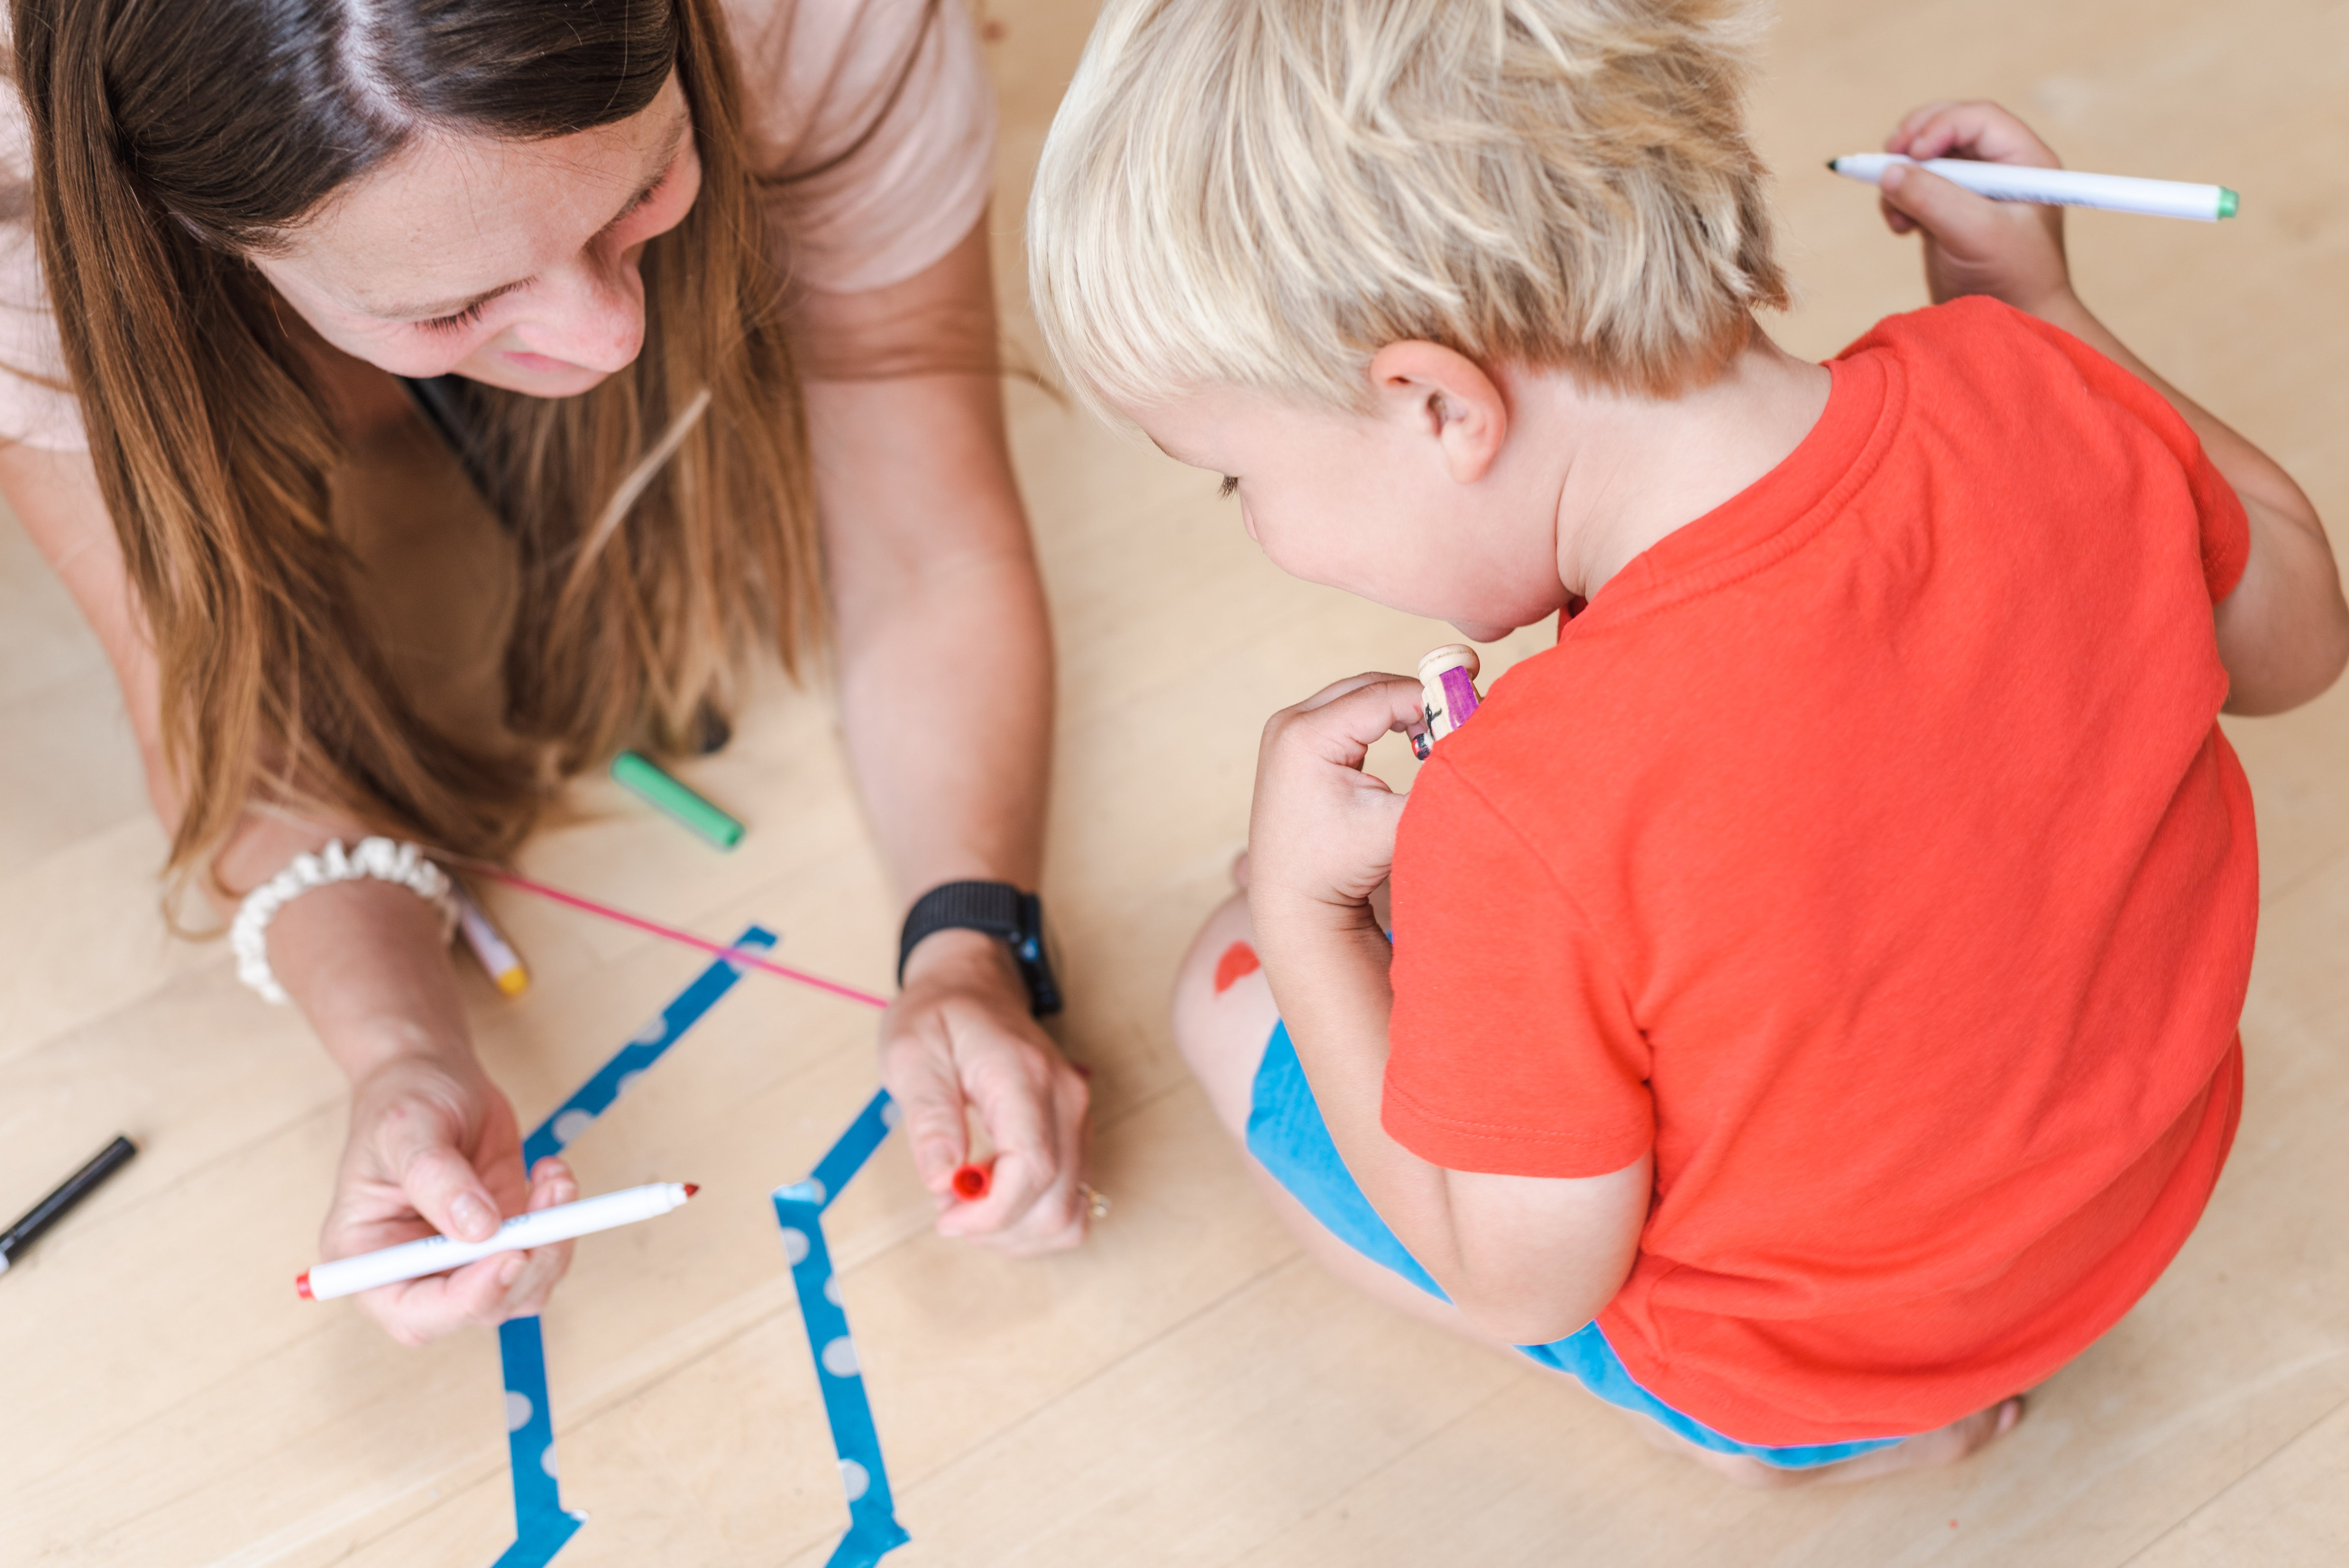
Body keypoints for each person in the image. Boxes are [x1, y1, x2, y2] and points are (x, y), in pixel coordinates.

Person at [1028, 0, 2349, 1484]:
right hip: (2136, 1213)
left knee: (1225, 993)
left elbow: (1523, 1279)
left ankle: (1774, 1438)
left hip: (1816, 1368)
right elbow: (2298, 644)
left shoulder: (1528, 809)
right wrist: (2046, 325)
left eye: (1234, 480)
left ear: (1439, 405)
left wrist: (1307, 916)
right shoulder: (2029, 387)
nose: (1259, 528)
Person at [0, 0, 1092, 1347]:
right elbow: (228, 717)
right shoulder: (25, 191)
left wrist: (969, 939)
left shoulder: (818, 17)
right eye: (456, 302)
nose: (607, 338)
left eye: (645, 184)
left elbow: (928, 537)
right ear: (183, 229)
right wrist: (396, 1050)